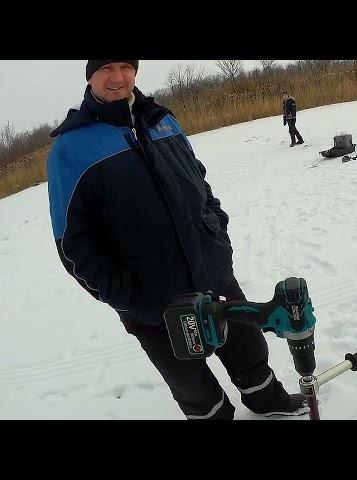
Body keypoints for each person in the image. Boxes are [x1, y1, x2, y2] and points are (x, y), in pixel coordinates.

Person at [47, 60, 309, 419]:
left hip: (211, 274)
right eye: (107, 67)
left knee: (248, 349)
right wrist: (125, 294)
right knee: (191, 383)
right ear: (90, 75)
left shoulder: (162, 120)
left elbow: (199, 181)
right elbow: (72, 244)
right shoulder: (71, 148)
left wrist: (215, 226)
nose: (118, 77)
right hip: (150, 299)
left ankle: (268, 401)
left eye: (126, 66)